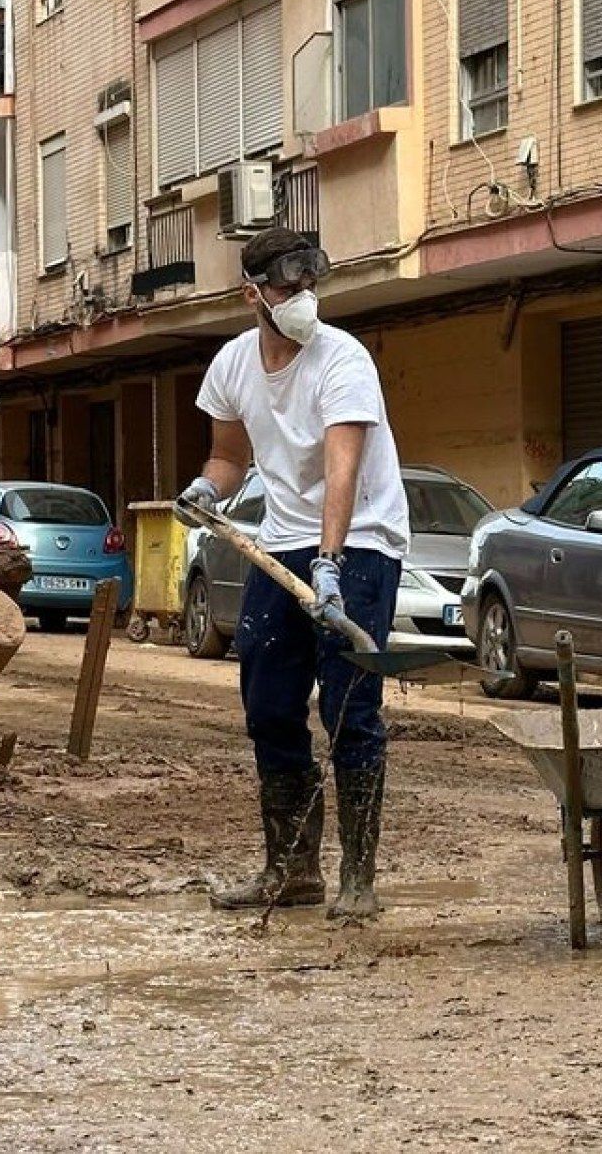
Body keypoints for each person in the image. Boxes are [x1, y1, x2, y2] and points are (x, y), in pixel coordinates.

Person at [176, 227, 409, 922]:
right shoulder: (232, 366)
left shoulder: (344, 361)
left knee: (349, 710)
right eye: (287, 287)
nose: (304, 298)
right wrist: (206, 491)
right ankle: (291, 868)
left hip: (361, 542)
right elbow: (228, 457)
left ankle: (358, 880)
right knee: (270, 706)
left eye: (311, 284)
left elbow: (342, 473)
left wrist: (331, 564)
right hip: (279, 548)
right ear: (253, 294)